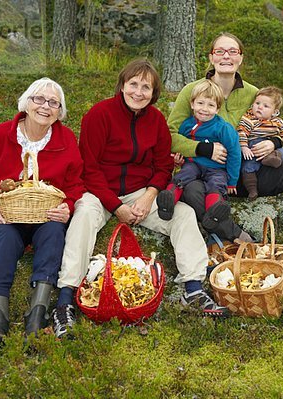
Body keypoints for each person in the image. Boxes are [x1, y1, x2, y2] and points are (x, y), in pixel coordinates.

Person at [54, 59, 230, 339]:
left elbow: (162, 167)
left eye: (146, 87)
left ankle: (193, 288)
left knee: (182, 215)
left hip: (140, 191)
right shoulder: (99, 115)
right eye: (133, 84)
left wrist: (149, 197)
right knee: (84, 215)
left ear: (154, 92)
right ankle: (66, 298)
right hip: (101, 192)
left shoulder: (156, 121)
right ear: (122, 85)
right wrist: (116, 207)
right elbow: (89, 167)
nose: (138, 92)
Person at [167, 33, 283, 286]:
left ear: (241, 58)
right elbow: (169, 135)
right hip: (206, 174)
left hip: (245, 174)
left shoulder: (253, 93)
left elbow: (274, 126)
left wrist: (273, 143)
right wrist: (201, 149)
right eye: (220, 51)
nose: (226, 56)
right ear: (210, 57)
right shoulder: (193, 91)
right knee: (190, 188)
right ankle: (240, 236)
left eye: (232, 51)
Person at [0, 78, 85, 349]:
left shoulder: (66, 140)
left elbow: (76, 184)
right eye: (39, 99)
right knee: (3, 239)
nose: (45, 107)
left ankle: (37, 312)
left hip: (45, 215)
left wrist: (68, 206)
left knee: (53, 234)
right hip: (6, 215)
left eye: (53, 103)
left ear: (59, 111)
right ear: (26, 103)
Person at [156, 79, 241, 232]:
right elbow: (180, 144)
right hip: (193, 164)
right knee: (184, 175)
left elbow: (235, 153)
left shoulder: (224, 128)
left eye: (211, 105)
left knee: (216, 184)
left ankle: (214, 212)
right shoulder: (187, 125)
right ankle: (168, 200)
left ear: (217, 109)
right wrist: (177, 158)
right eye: (200, 103)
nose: (204, 109)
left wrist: (232, 181)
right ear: (192, 104)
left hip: (217, 168)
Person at [239, 86, 283, 200]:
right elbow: (242, 132)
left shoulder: (277, 122)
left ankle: (272, 159)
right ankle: (252, 190)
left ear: (274, 112)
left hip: (271, 149)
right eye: (257, 103)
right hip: (254, 148)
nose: (259, 107)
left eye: (266, 106)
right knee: (247, 167)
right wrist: (244, 147)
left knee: (281, 151)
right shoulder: (249, 119)